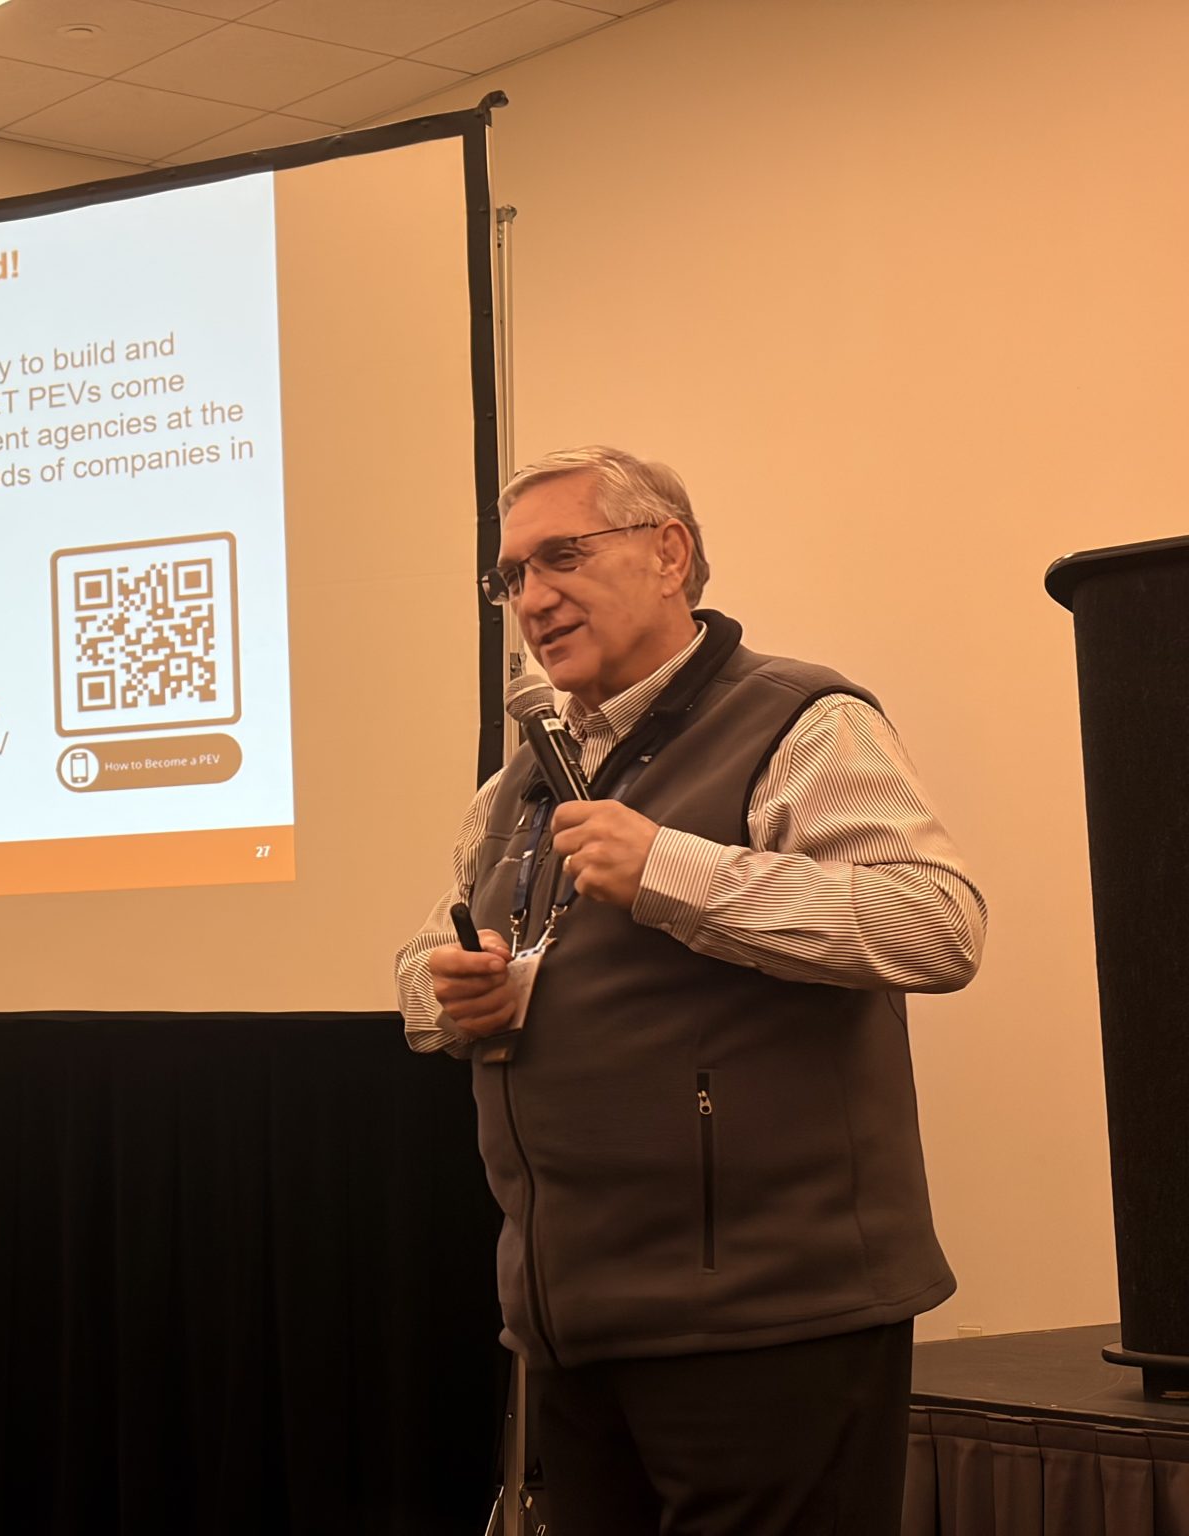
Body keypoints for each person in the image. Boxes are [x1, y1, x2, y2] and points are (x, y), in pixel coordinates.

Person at [394, 446, 987, 1535]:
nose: (532, 597)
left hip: (769, 1322)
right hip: (573, 1323)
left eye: (561, 556)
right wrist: (447, 993)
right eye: (511, 576)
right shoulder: (517, 781)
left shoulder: (800, 721)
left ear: (668, 554)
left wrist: (671, 869)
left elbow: (935, 924)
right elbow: (424, 955)